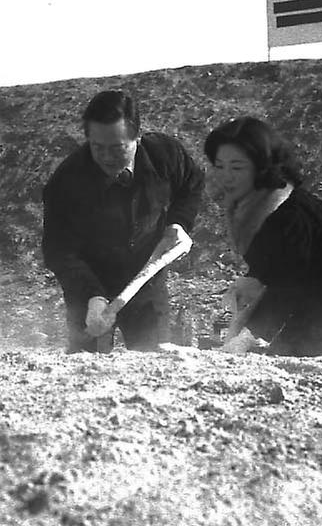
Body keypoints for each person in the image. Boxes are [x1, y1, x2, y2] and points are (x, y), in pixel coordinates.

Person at [204, 116, 322, 357]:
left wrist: (242, 340)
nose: (226, 177)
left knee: (299, 350)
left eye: (237, 167)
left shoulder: (284, 212)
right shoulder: (254, 202)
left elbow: (286, 284)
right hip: (314, 292)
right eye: (220, 166)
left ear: (261, 167)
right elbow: (274, 269)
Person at [42, 90, 204, 352]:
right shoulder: (65, 183)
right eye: (97, 147)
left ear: (137, 137)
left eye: (117, 148)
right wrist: (91, 295)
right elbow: (59, 250)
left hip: (146, 278)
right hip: (89, 284)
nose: (106, 157)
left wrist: (179, 223)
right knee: (84, 367)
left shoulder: (166, 156)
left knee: (154, 360)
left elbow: (192, 184)